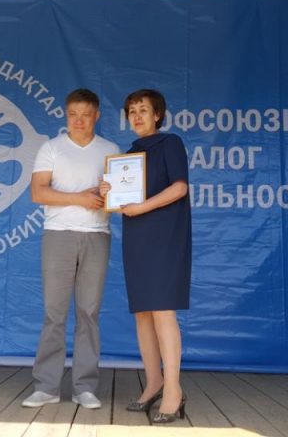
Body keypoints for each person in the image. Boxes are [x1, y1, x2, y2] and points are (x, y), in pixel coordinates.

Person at [21, 88, 119, 410]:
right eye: (73, 115)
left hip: (97, 236)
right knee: (54, 313)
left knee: (89, 313)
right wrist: (80, 198)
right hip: (58, 235)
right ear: (66, 115)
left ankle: (84, 388)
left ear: (96, 116)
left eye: (85, 115)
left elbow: (118, 198)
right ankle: (46, 387)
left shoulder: (111, 150)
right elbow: (38, 193)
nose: (79, 121)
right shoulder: (51, 148)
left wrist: (109, 195)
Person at [100, 89, 191, 424]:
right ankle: (154, 383)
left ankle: (173, 391)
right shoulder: (130, 155)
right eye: (131, 111)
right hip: (137, 236)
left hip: (165, 235)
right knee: (142, 313)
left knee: (163, 310)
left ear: (157, 114)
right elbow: (123, 202)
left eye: (143, 110)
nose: (136, 116)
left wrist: (142, 207)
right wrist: (108, 194)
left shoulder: (170, 143)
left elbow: (179, 187)